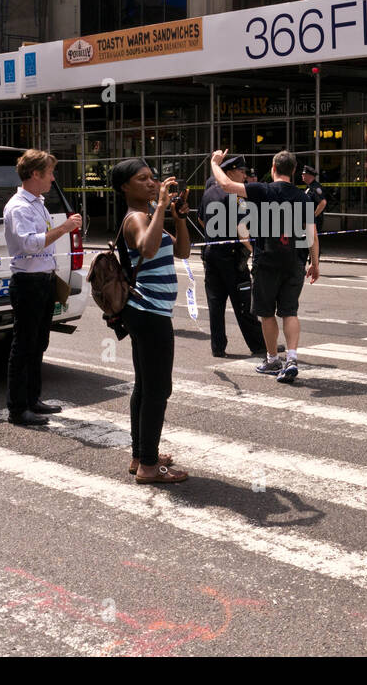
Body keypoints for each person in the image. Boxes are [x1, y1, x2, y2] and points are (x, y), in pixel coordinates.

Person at [211, 149, 319, 384]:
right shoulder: (303, 197)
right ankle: (291, 358)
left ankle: (272, 360)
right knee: (290, 311)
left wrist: (214, 163)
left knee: (266, 313)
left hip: (267, 260)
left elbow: (227, 185)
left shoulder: (262, 190)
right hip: (295, 261)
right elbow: (312, 232)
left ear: (273, 168)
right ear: (293, 171)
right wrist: (315, 263)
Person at [112, 158, 190, 482]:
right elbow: (147, 245)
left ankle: (140, 454)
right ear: (124, 187)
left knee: (145, 386)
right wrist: (160, 207)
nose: (151, 182)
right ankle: (148, 465)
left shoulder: (150, 216)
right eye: (142, 179)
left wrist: (179, 217)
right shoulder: (135, 219)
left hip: (149, 312)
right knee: (158, 389)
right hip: (149, 313)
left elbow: (182, 251)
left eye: (152, 177)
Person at [2, 150, 82, 427]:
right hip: (28, 282)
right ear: (35, 174)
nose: (52, 177)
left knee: (38, 344)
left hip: (43, 281)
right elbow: (29, 243)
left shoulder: (37, 203)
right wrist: (65, 228)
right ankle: (17, 408)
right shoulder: (19, 207)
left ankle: (33, 399)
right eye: (49, 172)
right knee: (23, 346)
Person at [199, 155, 266, 358]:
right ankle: (259, 345)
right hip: (232, 257)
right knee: (244, 302)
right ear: (228, 173)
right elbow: (242, 229)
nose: (245, 175)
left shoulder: (209, 192)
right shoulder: (236, 195)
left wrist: (216, 235)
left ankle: (218, 347)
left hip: (211, 254)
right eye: (241, 171)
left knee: (215, 303)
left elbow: (201, 219)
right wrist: (255, 252)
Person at [302, 165, 328, 238]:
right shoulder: (309, 187)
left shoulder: (316, 188)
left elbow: (323, 202)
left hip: (314, 221)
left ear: (310, 176)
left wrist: (313, 216)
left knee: (312, 243)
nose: (302, 175)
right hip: (308, 221)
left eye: (304, 174)